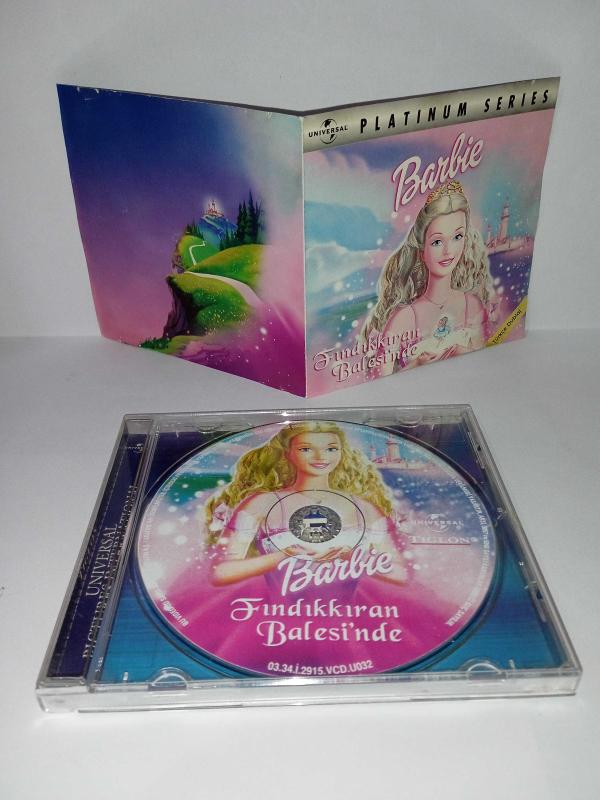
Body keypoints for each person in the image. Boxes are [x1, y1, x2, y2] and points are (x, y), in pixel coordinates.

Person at [204, 421, 407, 586]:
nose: (320, 457)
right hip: (275, 618)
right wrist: (283, 556)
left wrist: (349, 556)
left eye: (331, 448)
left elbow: (401, 574)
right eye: (306, 449)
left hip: (353, 619)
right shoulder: (261, 503)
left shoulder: (365, 508)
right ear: (288, 453)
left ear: (341, 452)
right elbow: (220, 572)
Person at [363, 180, 493, 373]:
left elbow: (485, 358)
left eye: (457, 237)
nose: (448, 251)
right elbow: (379, 379)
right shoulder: (404, 319)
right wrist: (416, 364)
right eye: (437, 242)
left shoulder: (472, 305)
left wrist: (460, 351)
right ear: (422, 250)